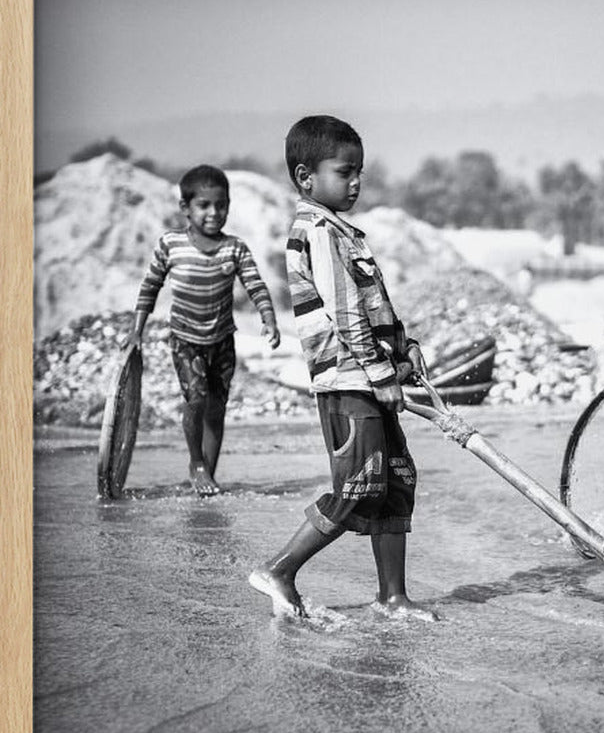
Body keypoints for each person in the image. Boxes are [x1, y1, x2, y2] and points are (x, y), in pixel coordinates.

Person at [248, 114, 434, 621]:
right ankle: (280, 570)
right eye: (344, 172)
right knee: (359, 488)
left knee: (397, 481)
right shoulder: (317, 232)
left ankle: (392, 596)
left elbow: (375, 305)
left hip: (372, 377)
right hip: (348, 385)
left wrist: (403, 349)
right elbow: (347, 315)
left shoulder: (344, 232)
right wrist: (380, 376)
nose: (355, 183)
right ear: (306, 177)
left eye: (359, 173)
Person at [128, 164, 280, 496]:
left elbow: (255, 284)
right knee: (195, 401)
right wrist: (136, 330)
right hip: (186, 341)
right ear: (186, 208)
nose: (214, 213)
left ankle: (207, 475)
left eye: (221, 205)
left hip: (223, 341)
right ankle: (196, 463)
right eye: (204, 205)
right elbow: (150, 286)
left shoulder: (234, 248)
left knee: (217, 407)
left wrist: (268, 317)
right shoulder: (171, 245)